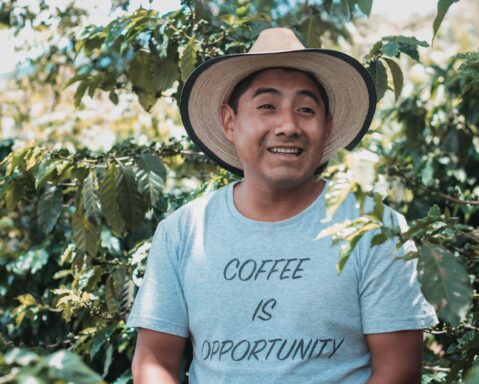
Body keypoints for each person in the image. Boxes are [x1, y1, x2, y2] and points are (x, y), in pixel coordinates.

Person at [127, 27, 438, 383]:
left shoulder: (377, 230)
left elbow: (398, 371)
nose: (288, 125)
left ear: (327, 125)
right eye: (267, 107)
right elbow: (154, 363)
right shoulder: (183, 232)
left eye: (306, 109)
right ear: (230, 122)